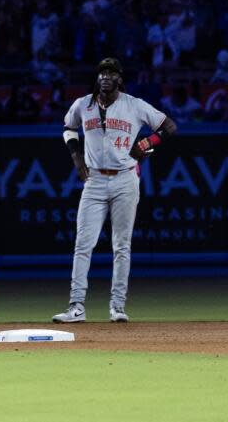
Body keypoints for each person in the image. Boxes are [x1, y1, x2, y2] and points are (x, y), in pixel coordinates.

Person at [53, 57, 177, 323]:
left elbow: (168, 127)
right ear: (97, 78)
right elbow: (68, 128)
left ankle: (117, 307)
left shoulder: (134, 105)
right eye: (102, 72)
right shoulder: (83, 105)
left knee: (121, 245)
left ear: (120, 79)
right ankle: (76, 307)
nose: (106, 76)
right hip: (94, 180)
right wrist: (76, 157)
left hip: (125, 179)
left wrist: (146, 145)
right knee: (83, 244)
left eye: (112, 73)